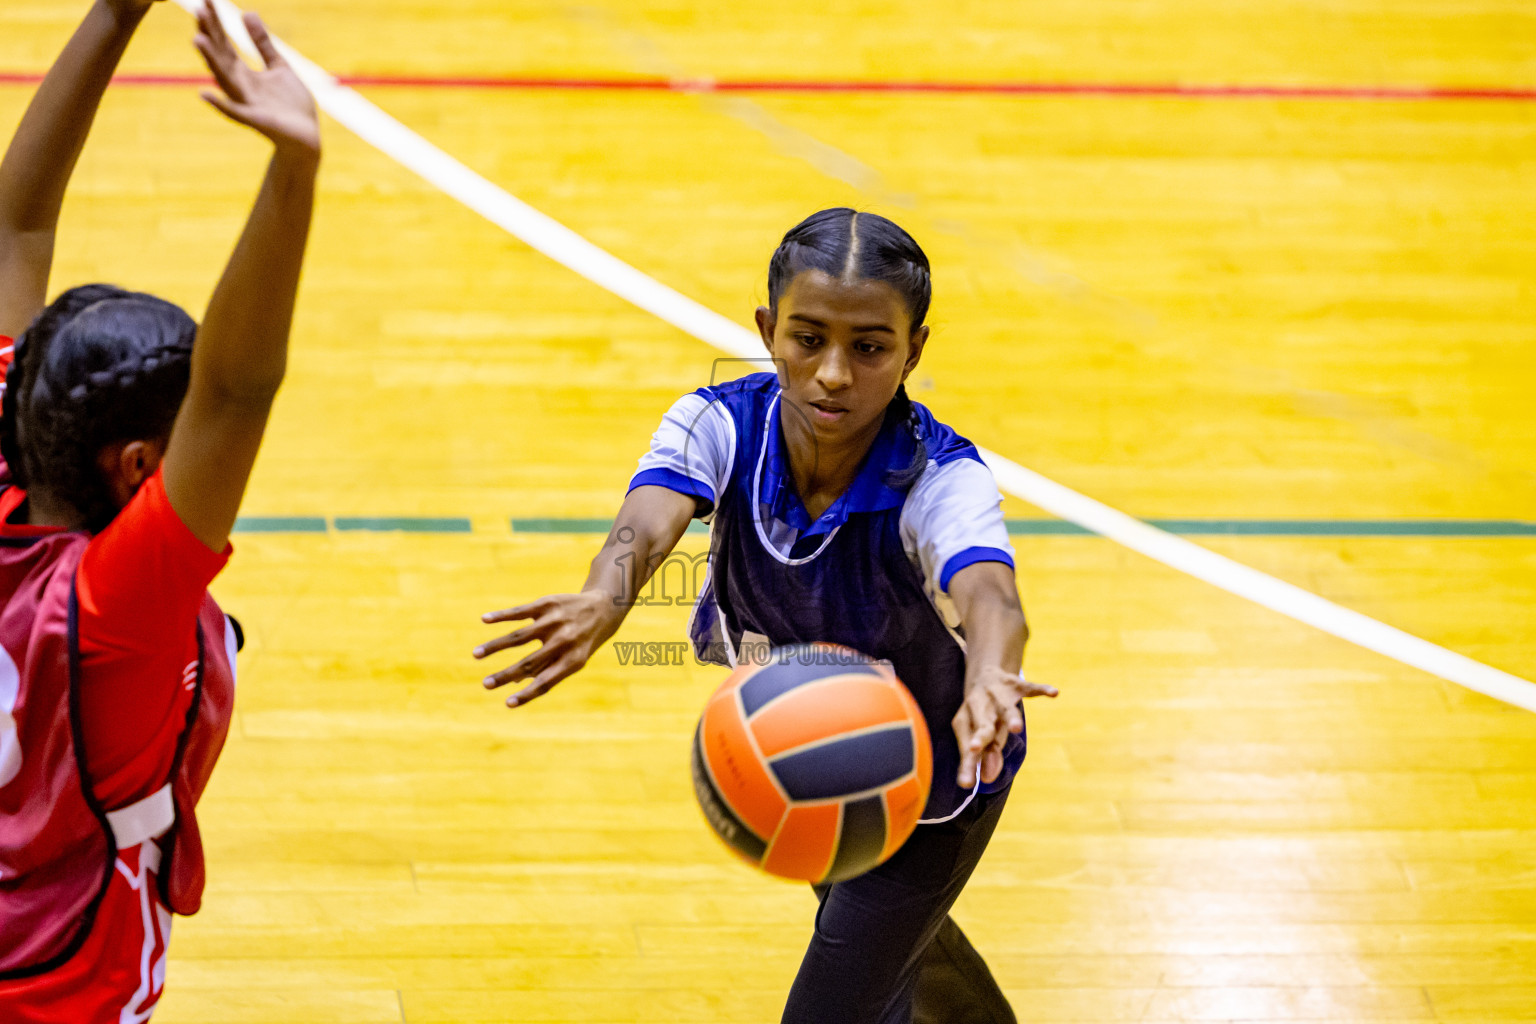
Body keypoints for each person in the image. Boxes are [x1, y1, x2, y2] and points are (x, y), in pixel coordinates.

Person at [476, 208, 1058, 1023]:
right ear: (767, 328)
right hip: (813, 756)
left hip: (940, 778)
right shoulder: (718, 422)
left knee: (841, 994)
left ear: (913, 350)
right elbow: (646, 525)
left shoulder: (938, 478)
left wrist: (993, 671)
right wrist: (604, 597)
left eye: (869, 347)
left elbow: (989, 592)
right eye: (807, 337)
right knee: (892, 951)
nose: (831, 374)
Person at [0, 2, 319, 1018]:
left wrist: (112, 10)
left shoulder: (15, 452)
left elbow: (18, 223)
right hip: (60, 977)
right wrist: (293, 171)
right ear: (140, 466)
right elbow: (239, 388)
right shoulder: (116, 603)